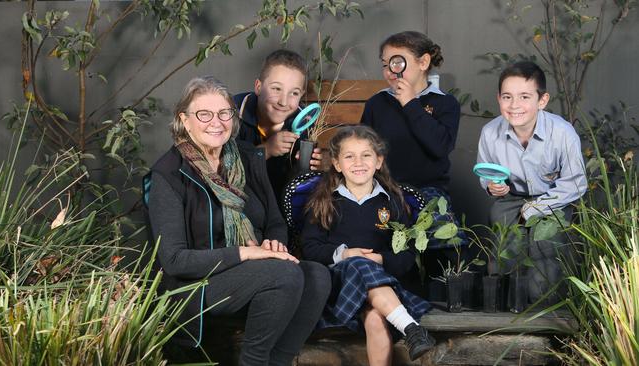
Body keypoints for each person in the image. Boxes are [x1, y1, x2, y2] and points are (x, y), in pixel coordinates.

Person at [146, 75, 331, 365]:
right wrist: (249, 253)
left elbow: (274, 221)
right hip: (194, 285)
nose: (216, 122)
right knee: (284, 274)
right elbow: (174, 261)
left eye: (224, 113)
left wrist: (274, 243)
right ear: (185, 119)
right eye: (204, 114)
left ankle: (277, 362)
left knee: (318, 276)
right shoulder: (168, 174)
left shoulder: (247, 157)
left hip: (252, 275)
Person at [300, 125, 435, 365]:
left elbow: (406, 254)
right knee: (357, 263)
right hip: (340, 288)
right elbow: (310, 249)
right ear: (337, 164)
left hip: (384, 289)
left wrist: (382, 260)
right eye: (349, 156)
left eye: (366, 155)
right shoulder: (323, 202)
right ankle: (411, 327)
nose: (358, 162)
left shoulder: (392, 203)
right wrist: (344, 255)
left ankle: (410, 330)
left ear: (379, 161)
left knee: (374, 319)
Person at [360, 30, 465, 293]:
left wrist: (410, 103)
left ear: (423, 62)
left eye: (397, 63)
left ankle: (438, 296)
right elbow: (363, 144)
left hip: (427, 190)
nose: (390, 71)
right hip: (384, 190)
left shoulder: (445, 103)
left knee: (440, 235)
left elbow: (439, 146)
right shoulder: (377, 103)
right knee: (379, 232)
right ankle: (397, 294)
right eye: (385, 65)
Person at [476, 61, 587, 304]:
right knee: (503, 252)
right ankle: (504, 309)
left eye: (524, 97)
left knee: (546, 258)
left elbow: (575, 184)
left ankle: (546, 311)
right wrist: (493, 186)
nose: (514, 105)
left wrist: (535, 209)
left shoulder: (562, 133)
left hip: (553, 199)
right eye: (507, 97)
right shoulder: (490, 133)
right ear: (499, 99)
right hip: (510, 198)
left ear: (542, 100)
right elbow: (486, 173)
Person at [234, 49, 323, 199]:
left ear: (301, 94)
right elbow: (223, 169)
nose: (283, 102)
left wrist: (304, 166)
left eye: (294, 93)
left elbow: (293, 185)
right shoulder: (232, 111)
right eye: (276, 89)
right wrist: (267, 150)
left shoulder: (304, 121)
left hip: (279, 203)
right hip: (240, 200)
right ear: (258, 87)